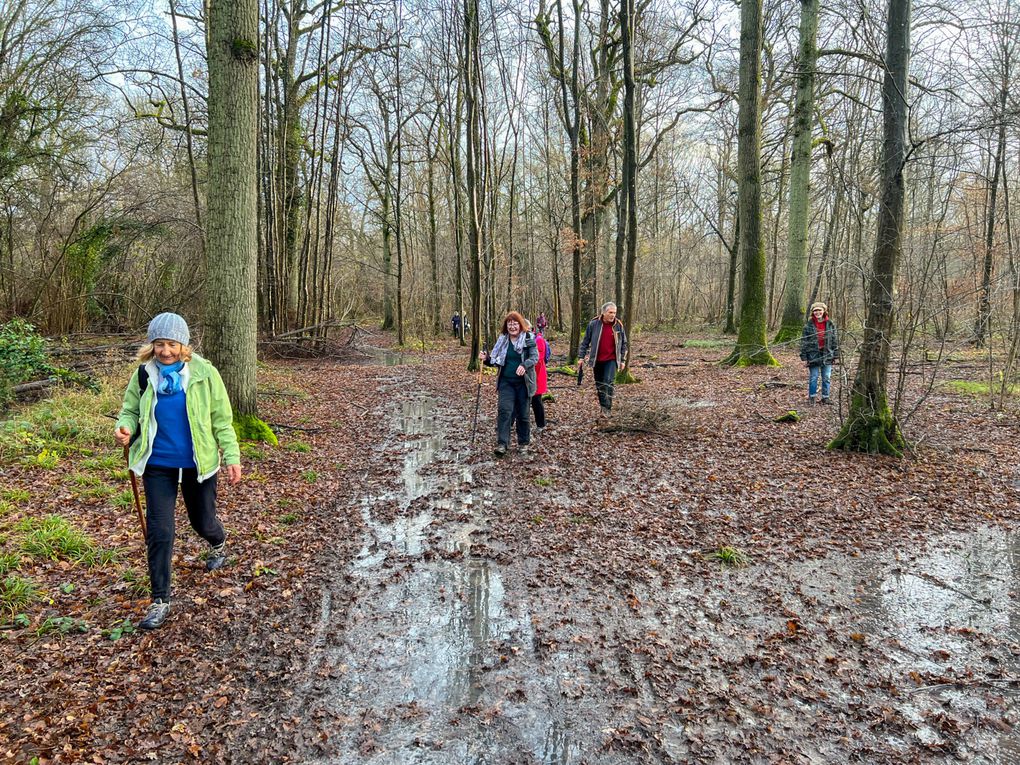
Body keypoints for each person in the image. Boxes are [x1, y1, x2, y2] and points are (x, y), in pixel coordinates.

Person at [114, 313, 242, 630]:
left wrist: (232, 455)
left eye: (171, 344)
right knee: (160, 531)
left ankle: (218, 542)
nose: (165, 351)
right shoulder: (144, 375)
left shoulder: (205, 374)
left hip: (199, 462)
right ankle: (160, 600)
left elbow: (221, 418)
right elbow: (130, 410)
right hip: (157, 463)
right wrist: (125, 427)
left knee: (203, 520)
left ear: (183, 345)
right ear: (152, 345)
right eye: (159, 344)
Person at [479, 311, 538, 456]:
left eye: (515, 323)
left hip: (524, 383)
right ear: (506, 326)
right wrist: (486, 359)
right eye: (509, 324)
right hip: (506, 382)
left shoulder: (528, 338)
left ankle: (523, 443)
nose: (512, 327)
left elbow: (534, 357)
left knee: (523, 414)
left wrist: (524, 365)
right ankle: (502, 444)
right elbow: (494, 361)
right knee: (504, 411)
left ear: (520, 325)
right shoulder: (503, 340)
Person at [577, 302, 628, 418]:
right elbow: (585, 342)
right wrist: (581, 357)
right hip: (597, 360)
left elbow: (624, 344)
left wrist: (623, 360)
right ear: (603, 313)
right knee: (600, 385)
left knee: (608, 382)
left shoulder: (618, 325)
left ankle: (607, 409)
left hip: (612, 359)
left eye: (614, 313)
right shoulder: (593, 324)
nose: (613, 315)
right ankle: (604, 407)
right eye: (610, 312)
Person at [799, 301, 839, 405]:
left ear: (824, 311)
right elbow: (804, 341)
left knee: (826, 377)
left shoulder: (830, 324)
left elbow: (834, 340)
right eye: (815, 310)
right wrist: (804, 356)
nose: (817, 312)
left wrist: (835, 354)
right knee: (814, 377)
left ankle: (825, 398)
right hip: (813, 354)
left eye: (819, 310)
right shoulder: (808, 325)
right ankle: (812, 398)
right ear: (813, 312)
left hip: (827, 354)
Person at [529, 319, 550, 435]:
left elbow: (538, 359)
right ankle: (511, 423)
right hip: (529, 377)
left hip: (537, 376)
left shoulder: (538, 340)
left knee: (536, 401)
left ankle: (541, 424)